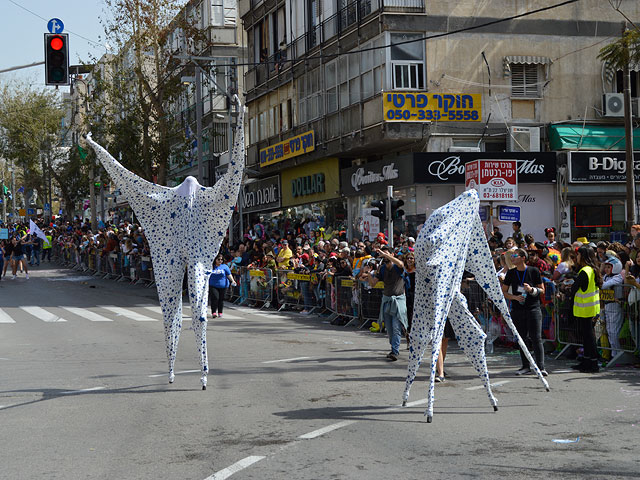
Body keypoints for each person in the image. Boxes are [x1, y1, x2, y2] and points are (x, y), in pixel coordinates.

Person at [501, 248, 547, 376]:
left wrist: (531, 290)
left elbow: (541, 289)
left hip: (533, 308)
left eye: (515, 256)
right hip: (518, 309)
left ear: (523, 257)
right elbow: (503, 291)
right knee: (522, 338)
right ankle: (525, 366)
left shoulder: (533, 271)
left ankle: (540, 367)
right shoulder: (511, 273)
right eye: (512, 257)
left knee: (536, 338)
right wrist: (514, 297)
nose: (512, 258)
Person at [365, 246, 408, 361]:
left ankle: (395, 350)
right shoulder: (382, 269)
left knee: (396, 326)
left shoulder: (397, 266)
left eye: (386, 254)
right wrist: (369, 274)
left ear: (392, 255)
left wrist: (385, 254)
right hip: (387, 300)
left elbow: (401, 264)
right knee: (389, 328)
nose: (384, 257)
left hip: (398, 301)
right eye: (382, 255)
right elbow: (373, 284)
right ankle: (394, 346)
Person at [570, 246, 603, 373]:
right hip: (591, 307)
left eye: (578, 255)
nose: (577, 257)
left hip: (585, 308)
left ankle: (592, 363)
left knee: (588, 337)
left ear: (583, 257)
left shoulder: (585, 271)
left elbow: (575, 287)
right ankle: (587, 361)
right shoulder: (592, 269)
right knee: (587, 337)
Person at [601, 256, 624, 360]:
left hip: (615, 306)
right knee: (610, 331)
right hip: (607, 305)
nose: (606, 269)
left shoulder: (618, 277)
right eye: (605, 267)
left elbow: (603, 286)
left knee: (614, 331)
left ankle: (617, 354)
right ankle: (614, 354)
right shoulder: (606, 276)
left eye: (608, 267)